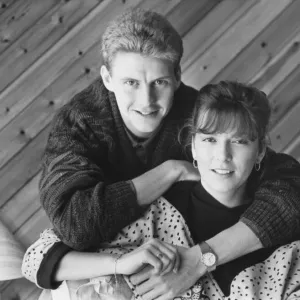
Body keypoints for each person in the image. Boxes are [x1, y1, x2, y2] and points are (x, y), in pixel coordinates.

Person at [29, 7, 300, 298]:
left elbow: (288, 182)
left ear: (177, 77)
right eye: (131, 83)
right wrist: (169, 171)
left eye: (160, 82)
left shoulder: (199, 117)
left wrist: (199, 259)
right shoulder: (78, 124)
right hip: (122, 249)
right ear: (107, 78)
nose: (147, 101)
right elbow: (74, 226)